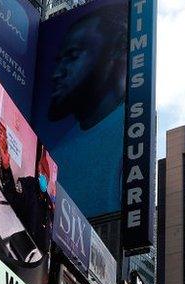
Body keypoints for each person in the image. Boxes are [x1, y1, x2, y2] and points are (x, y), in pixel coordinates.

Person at [43, 4, 127, 210]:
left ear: (114, 53)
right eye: (59, 61)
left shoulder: (131, 139)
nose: (56, 74)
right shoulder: (57, 154)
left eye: (72, 56)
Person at [0, 122, 55, 253]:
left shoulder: (49, 206)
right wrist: (6, 167)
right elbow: (11, 194)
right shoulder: (28, 184)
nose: (42, 175)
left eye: (45, 173)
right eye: (40, 172)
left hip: (40, 260)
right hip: (21, 249)